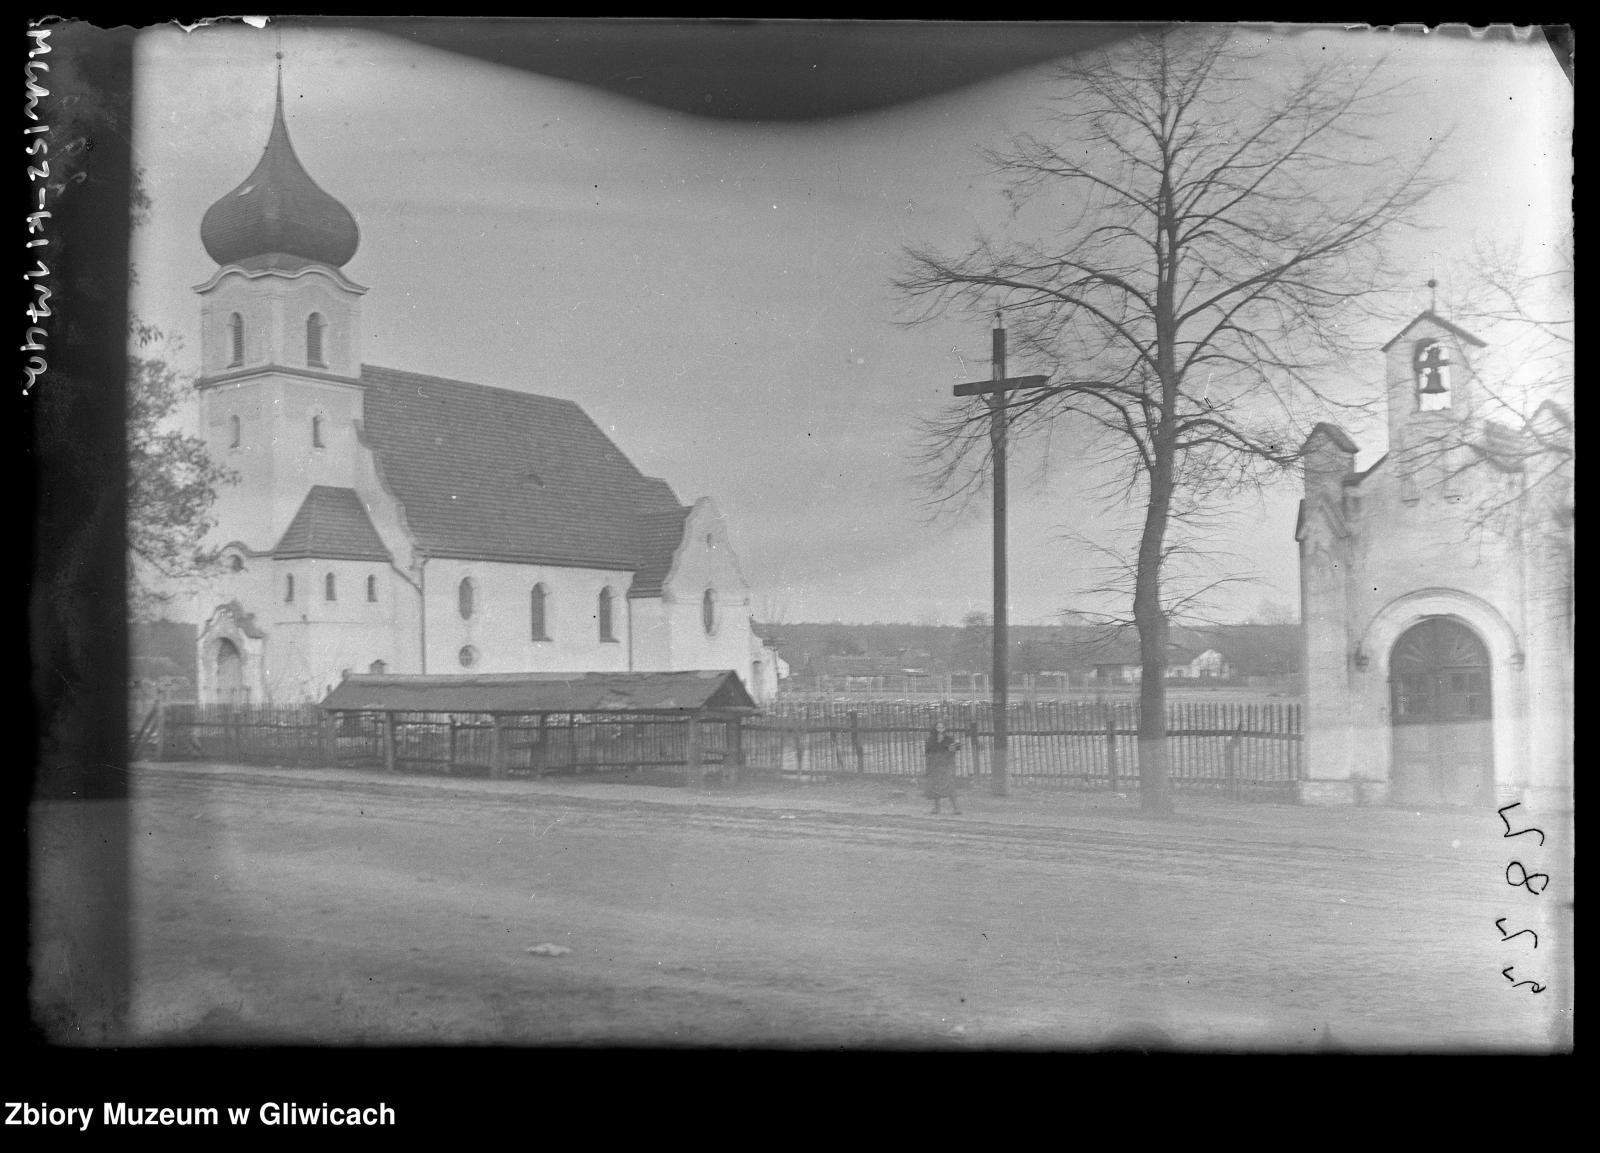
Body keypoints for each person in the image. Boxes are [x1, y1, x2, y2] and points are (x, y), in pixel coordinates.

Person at [924, 721, 962, 815]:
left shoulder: (949, 739)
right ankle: (937, 808)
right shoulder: (931, 740)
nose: (940, 729)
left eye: (942, 727)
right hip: (935, 766)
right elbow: (928, 753)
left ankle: (956, 808)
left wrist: (955, 746)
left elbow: (956, 748)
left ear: (945, 728)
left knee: (949, 785)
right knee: (935, 786)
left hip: (946, 765)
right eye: (938, 727)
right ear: (935, 729)